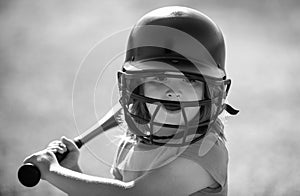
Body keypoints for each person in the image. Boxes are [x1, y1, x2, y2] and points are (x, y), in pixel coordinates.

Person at [24, 6, 238, 196]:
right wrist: (72, 172)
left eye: (191, 81)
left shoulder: (205, 151)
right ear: (135, 86)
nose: (174, 92)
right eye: (160, 79)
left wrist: (52, 170)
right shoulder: (134, 144)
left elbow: (132, 194)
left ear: (212, 93)